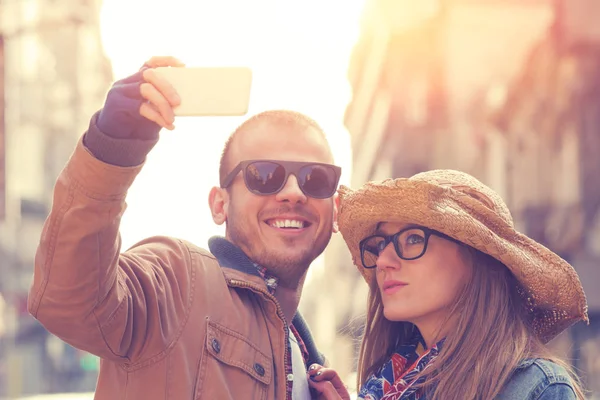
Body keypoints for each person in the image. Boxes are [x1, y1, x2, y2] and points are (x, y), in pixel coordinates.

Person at [27, 56, 342, 399]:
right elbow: (70, 301)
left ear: (335, 208)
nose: (294, 193)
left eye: (316, 178)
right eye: (265, 175)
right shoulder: (177, 280)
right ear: (219, 205)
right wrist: (111, 148)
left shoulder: (307, 361)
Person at [307, 170, 589, 400]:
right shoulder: (389, 384)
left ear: (475, 257)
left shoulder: (534, 388)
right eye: (380, 245)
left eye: (413, 239)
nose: (383, 260)